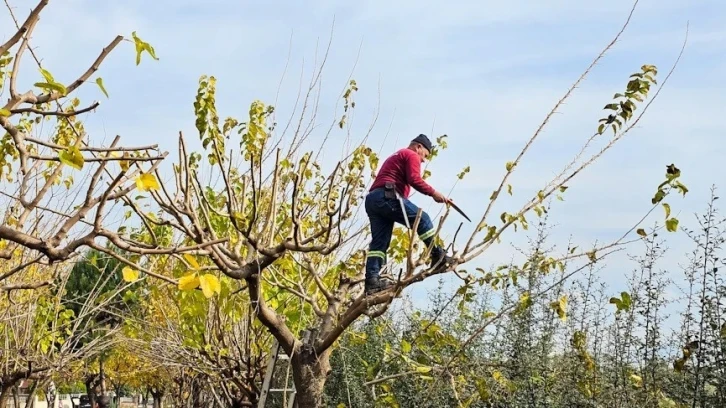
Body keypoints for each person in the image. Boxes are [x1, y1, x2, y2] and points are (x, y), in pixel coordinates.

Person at [364, 134, 453, 295]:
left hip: (373, 200)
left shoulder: (398, 154)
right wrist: (434, 193)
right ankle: (437, 255)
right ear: (418, 147)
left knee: (380, 243)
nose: (424, 160)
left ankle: (372, 282)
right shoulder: (411, 154)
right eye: (425, 155)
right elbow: (414, 179)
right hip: (387, 195)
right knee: (423, 219)